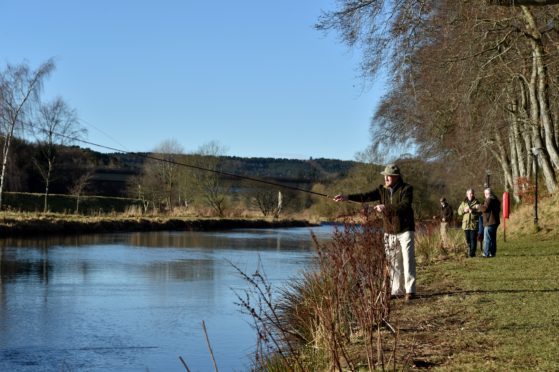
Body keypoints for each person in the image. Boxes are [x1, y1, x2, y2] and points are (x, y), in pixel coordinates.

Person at [333, 164, 416, 301]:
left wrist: (385, 207)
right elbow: (365, 196)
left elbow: (404, 206)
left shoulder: (407, 189)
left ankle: (411, 291)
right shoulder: (381, 190)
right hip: (389, 230)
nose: (385, 178)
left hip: (405, 229)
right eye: (384, 176)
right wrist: (346, 197)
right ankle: (397, 291)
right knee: (393, 262)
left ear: (395, 177)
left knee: (408, 260)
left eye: (387, 176)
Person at [457, 189, 481, 257]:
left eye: (472, 193)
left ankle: (472, 254)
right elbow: (459, 212)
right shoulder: (463, 203)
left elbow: (480, 212)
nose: (471, 195)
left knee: (473, 239)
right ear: (467, 195)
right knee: (468, 239)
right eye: (469, 193)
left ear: (473, 194)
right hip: (466, 225)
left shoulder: (477, 202)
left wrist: (473, 211)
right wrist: (464, 210)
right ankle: (469, 252)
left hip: (474, 224)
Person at [480, 187, 500, 257]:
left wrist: (478, 207)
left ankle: (486, 253)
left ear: (490, 193)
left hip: (490, 222)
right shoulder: (496, 199)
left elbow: (485, 208)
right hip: (495, 221)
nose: (486, 195)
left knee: (487, 239)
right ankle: (492, 253)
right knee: (493, 239)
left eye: (487, 193)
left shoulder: (489, 199)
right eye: (485, 193)